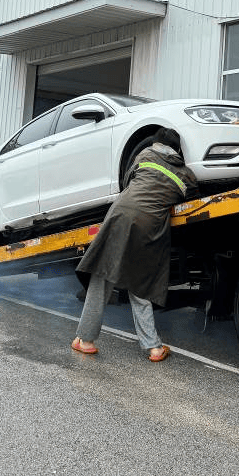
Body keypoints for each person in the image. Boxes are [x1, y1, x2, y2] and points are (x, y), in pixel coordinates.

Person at [71, 126, 197, 362]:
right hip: (151, 225)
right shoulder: (187, 174)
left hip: (121, 215)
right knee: (140, 284)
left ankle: (85, 340)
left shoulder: (144, 156)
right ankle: (154, 348)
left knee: (103, 277)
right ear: (178, 150)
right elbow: (191, 195)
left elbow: (128, 183)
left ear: (156, 143)